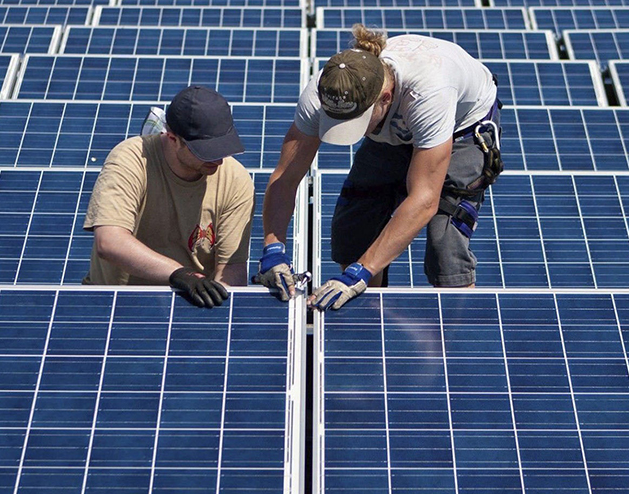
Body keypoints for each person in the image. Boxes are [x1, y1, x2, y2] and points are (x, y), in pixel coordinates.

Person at [256, 25, 502, 310]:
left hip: (460, 128)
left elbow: (424, 200)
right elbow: (286, 176)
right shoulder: (325, 92)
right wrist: (273, 248)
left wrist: (361, 272)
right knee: (355, 230)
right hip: (393, 127)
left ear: (384, 98)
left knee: (445, 244)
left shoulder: (428, 94)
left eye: (355, 123)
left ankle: (456, 337)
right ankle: (371, 327)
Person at [84, 85, 255, 308]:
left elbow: (230, 267)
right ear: (172, 138)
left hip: (189, 305)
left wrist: (220, 309)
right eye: (206, 151)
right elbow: (109, 241)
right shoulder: (131, 159)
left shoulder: (236, 180)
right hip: (116, 303)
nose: (219, 159)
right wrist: (178, 274)